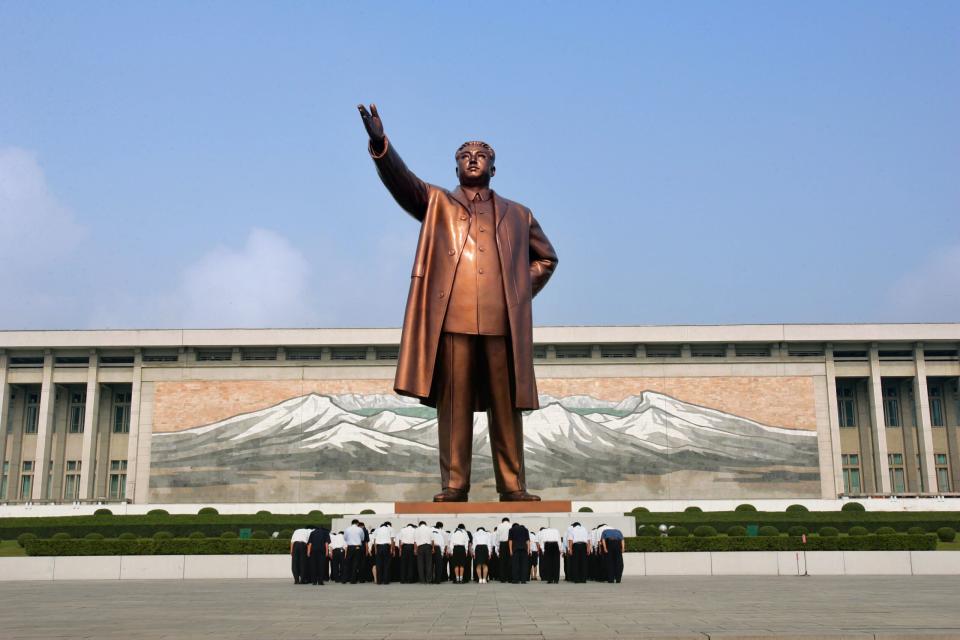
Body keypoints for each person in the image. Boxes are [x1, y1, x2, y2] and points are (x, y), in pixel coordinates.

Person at [358, 104, 558, 503]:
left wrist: (517, 288)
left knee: (506, 407)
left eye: (481, 155)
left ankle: (513, 485)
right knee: (454, 407)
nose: (472, 160)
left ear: (493, 168)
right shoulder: (436, 204)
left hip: (502, 323)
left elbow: (546, 259)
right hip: (452, 320)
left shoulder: (519, 214)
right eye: (464, 156)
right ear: (455, 168)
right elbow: (402, 183)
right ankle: (454, 484)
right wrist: (381, 144)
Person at [343, 519, 365, 584]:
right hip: (358, 547)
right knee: (355, 564)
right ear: (357, 523)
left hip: (350, 547)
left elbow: (345, 538)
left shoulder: (347, 529)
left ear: (351, 523)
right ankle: (353, 580)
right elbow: (362, 538)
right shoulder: (360, 529)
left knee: (347, 563)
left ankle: (344, 579)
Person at [495, 518, 512, 583]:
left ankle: (502, 578)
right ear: (508, 521)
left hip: (502, 544)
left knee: (502, 562)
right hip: (509, 544)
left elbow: (497, 537)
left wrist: (498, 546)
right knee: (510, 561)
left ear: (502, 521)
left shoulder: (499, 526)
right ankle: (509, 578)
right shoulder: (511, 525)